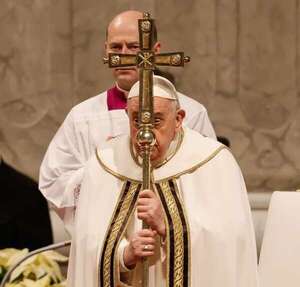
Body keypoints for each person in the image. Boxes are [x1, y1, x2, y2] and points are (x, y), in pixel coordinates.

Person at [66, 76, 258, 287]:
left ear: (178, 119)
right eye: (137, 120)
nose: (145, 135)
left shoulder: (215, 162)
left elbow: (230, 245)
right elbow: (85, 244)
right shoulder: (104, 163)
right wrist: (123, 255)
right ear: (126, 115)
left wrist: (169, 225)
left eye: (156, 121)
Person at [39, 10, 216, 233]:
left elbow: (209, 183)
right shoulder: (81, 117)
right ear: (106, 50)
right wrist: (105, 166)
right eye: (116, 47)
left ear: (155, 51)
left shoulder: (190, 112)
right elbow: (53, 181)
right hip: (107, 242)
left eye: (134, 47)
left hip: (168, 240)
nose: (125, 56)